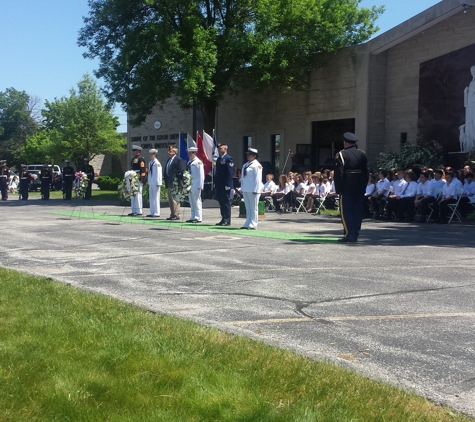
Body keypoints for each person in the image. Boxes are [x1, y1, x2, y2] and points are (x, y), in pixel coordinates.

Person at [333, 132, 369, 243]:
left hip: (347, 186)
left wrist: (338, 189)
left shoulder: (342, 154)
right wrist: (364, 185)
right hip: (359, 186)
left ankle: (349, 234)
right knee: (357, 211)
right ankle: (355, 234)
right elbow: (366, 171)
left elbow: (339, 173)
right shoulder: (362, 154)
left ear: (345, 143)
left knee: (347, 211)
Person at [240, 148, 263, 229]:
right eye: (247, 154)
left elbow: (258, 179)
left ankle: (253, 224)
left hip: (253, 189)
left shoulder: (257, 165)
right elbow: (243, 178)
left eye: (250, 154)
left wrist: (256, 190)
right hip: (246, 188)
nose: (248, 156)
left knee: (253, 208)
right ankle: (247, 222)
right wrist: (242, 188)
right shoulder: (245, 165)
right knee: (248, 207)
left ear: (254, 155)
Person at [163, 144, 186, 220]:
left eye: (170, 151)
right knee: (170, 199)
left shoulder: (178, 160)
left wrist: (178, 180)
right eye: (168, 151)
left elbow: (181, 170)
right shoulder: (169, 160)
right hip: (169, 182)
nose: (168, 152)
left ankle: (176, 214)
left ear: (175, 152)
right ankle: (172, 214)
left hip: (175, 183)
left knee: (175, 199)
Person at [214, 143, 234, 226]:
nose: (219, 149)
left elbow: (229, 173)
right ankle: (223, 218)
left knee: (226, 202)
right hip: (219, 184)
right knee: (221, 202)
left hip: (225, 184)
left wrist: (228, 184)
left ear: (225, 149)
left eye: (220, 148)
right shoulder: (219, 159)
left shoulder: (228, 159)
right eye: (218, 148)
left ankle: (227, 220)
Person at [186, 146, 205, 223]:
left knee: (197, 201)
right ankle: (193, 216)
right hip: (189, 184)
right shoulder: (189, 162)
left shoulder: (198, 162)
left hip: (196, 184)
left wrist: (200, 185)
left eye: (190, 153)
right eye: (189, 153)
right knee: (191, 200)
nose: (189, 155)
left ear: (194, 153)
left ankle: (198, 217)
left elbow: (201, 175)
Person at [128, 146, 146, 215]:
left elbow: (143, 169)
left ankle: (138, 211)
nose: (133, 152)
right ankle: (134, 210)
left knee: (138, 194)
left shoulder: (141, 159)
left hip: (138, 178)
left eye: (134, 151)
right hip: (133, 177)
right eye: (133, 151)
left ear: (138, 151)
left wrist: (141, 178)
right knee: (133, 194)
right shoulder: (133, 159)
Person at [147, 149, 162, 218]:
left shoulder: (157, 163)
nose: (150, 155)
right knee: (152, 197)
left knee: (156, 197)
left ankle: (157, 212)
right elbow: (149, 173)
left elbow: (159, 173)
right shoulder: (150, 163)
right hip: (151, 182)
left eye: (152, 154)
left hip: (156, 182)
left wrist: (159, 182)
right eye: (150, 154)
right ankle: (152, 211)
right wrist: (149, 181)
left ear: (155, 154)